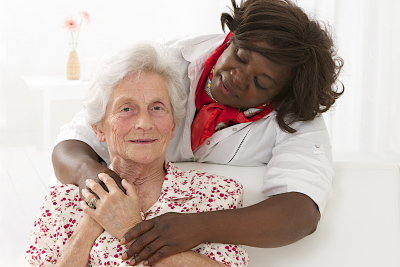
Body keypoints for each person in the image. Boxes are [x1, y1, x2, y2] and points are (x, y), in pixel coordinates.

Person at [51, 0, 344, 265]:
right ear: (231, 37)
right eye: (240, 57)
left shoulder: (297, 116)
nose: (237, 78)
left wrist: (198, 227)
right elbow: (73, 142)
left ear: (283, 93)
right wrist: (96, 183)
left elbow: (301, 214)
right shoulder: (165, 63)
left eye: (262, 82)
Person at [25, 42, 249, 267]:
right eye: (126, 109)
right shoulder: (61, 202)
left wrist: (129, 227)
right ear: (98, 129)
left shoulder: (217, 195)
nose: (144, 123)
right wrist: (88, 227)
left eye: (157, 107)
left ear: (173, 125)